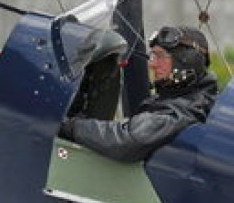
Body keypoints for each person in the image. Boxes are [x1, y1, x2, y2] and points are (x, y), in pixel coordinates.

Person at [59, 25, 218, 162]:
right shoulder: (186, 98)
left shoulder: (185, 109)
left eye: (161, 56)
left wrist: (70, 126)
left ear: (186, 61)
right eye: (153, 55)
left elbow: (128, 140)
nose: (152, 64)